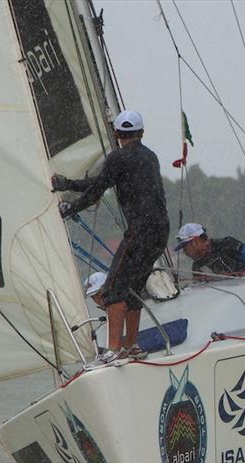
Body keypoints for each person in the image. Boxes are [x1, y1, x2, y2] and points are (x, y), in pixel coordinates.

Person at [52, 110, 168, 363]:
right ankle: (132, 346)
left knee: (114, 290)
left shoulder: (118, 157)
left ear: (116, 134)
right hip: (160, 230)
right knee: (134, 287)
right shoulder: (150, 157)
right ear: (141, 133)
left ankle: (115, 350)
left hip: (140, 230)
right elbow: (103, 181)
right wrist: (68, 184)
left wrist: (69, 208)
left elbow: (96, 191)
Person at [174, 223, 245, 278]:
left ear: (196, 241)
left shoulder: (228, 244)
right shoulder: (197, 267)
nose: (184, 252)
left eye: (185, 247)